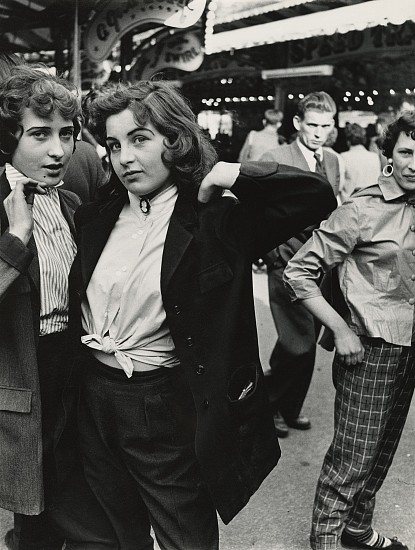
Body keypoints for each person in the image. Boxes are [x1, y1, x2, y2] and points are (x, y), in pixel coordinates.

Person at [67, 80, 337, 550]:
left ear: (175, 139)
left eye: (140, 139)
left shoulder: (213, 217)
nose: (125, 157)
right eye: (113, 145)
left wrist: (231, 174)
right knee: (113, 533)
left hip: (161, 405)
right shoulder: (96, 215)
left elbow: (315, 197)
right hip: (93, 397)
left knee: (184, 535)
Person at [283, 111, 415, 550]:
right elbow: (299, 271)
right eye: (407, 152)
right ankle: (324, 541)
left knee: (382, 451)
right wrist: (341, 330)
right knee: (353, 458)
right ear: (389, 155)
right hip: (369, 348)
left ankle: (356, 530)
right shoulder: (363, 208)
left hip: (409, 346)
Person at [0, 65, 117, 550]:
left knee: (63, 506)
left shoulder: (69, 201)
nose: (58, 150)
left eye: (67, 135)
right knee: (45, 511)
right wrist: (15, 240)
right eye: (39, 134)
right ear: (9, 138)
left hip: (74, 374)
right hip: (26, 377)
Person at [259, 91, 340, 437]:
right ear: (297, 124)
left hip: (320, 266)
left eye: (325, 125)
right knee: (298, 342)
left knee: (305, 341)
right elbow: (256, 210)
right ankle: (268, 406)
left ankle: (288, 408)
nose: (319, 132)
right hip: (287, 263)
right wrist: (273, 254)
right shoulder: (275, 157)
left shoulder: (333, 159)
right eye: (312, 125)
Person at [339, 123, 381, 202]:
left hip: (351, 202)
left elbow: (340, 184)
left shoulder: (343, 157)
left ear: (347, 140)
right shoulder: (374, 157)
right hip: (373, 202)